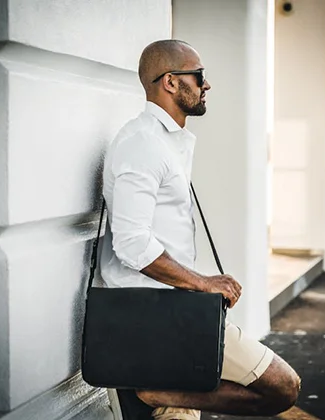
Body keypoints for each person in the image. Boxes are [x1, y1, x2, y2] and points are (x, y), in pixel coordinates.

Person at [100, 39, 301, 420]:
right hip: (158, 313)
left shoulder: (164, 142)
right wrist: (202, 283)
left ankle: (166, 394)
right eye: (200, 76)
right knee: (283, 386)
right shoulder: (142, 144)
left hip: (175, 309)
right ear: (172, 82)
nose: (206, 85)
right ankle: (156, 392)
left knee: (183, 411)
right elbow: (131, 243)